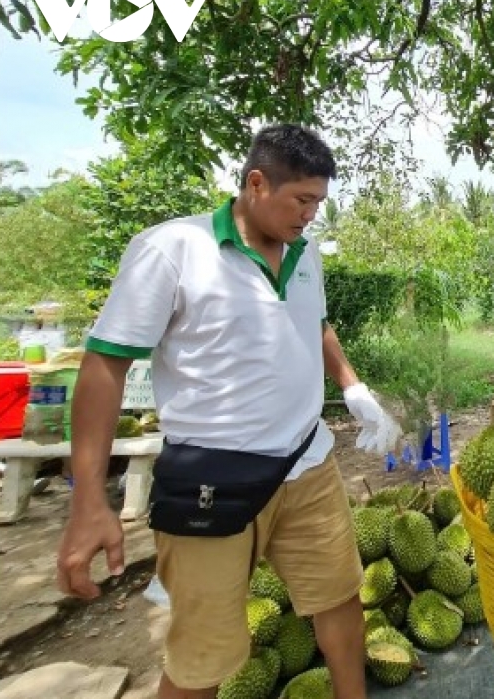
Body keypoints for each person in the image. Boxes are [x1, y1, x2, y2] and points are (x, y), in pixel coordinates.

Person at [55, 124, 403, 699]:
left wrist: (352, 384)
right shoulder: (173, 250)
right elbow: (104, 366)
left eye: (318, 202)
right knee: (203, 653)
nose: (310, 216)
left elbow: (312, 324)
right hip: (210, 480)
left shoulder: (307, 252)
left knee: (340, 600)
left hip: (307, 464)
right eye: (301, 200)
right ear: (256, 183)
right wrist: (89, 499)